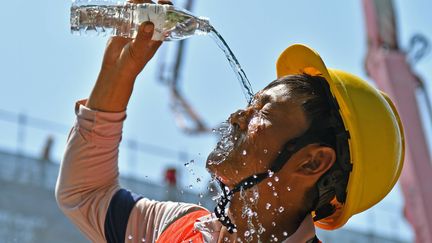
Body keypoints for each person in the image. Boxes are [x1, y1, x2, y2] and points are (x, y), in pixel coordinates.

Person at [55, 1, 405, 242]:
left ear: (313, 161)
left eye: (263, 112)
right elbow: (85, 194)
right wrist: (118, 75)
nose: (237, 117)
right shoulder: (181, 228)